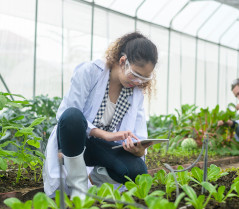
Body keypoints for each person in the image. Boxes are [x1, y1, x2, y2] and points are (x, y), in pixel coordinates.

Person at [43, 32, 158, 199]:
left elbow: (139, 133)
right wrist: (105, 134)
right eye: (135, 75)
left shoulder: (135, 91)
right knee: (72, 117)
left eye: (144, 79)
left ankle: (94, 179)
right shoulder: (90, 72)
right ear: (123, 61)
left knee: (137, 171)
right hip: (75, 141)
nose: (138, 82)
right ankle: (79, 188)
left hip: (102, 147)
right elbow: (65, 115)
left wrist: (138, 150)